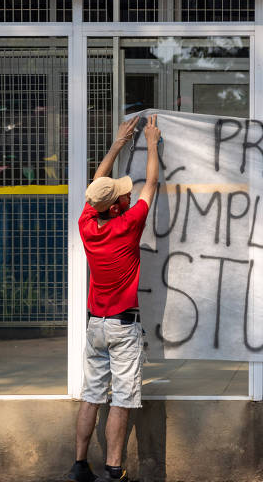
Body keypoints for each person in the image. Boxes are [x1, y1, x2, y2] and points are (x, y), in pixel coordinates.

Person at [66, 114, 160, 482]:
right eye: (122, 191)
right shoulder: (128, 226)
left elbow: (95, 186)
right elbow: (151, 182)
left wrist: (117, 144)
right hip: (122, 329)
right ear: (118, 204)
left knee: (91, 396)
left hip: (95, 326)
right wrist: (151, 142)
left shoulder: (88, 224)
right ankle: (114, 470)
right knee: (121, 400)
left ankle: (78, 465)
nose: (128, 191)